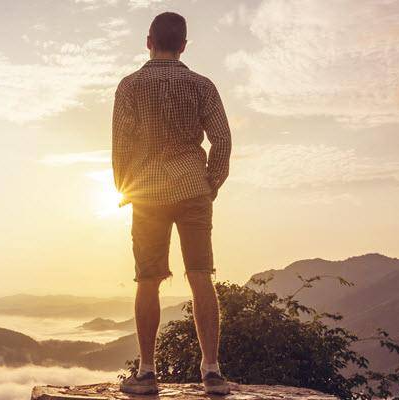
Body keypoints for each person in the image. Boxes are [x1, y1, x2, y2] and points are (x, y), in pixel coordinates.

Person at [112, 11, 233, 396]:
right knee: (201, 277)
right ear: (183, 45)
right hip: (193, 189)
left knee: (148, 281)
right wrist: (210, 183)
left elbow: (121, 147)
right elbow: (223, 141)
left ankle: (147, 373)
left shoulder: (129, 86)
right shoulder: (202, 85)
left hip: (147, 194)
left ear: (148, 41)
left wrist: (123, 187)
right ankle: (212, 371)